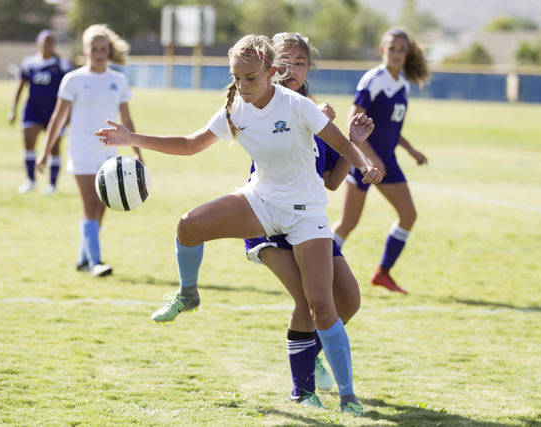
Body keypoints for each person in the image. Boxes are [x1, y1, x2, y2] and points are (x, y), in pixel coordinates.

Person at [95, 34, 381, 416]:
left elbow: (342, 146)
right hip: (261, 202)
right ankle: (188, 294)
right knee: (188, 225)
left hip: (306, 213)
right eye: (237, 78)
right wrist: (133, 138)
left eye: (251, 78)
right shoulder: (235, 108)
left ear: (270, 71)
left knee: (321, 306)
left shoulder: (297, 106)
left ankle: (348, 397)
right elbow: (189, 143)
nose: (243, 87)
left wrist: (364, 164)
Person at [242, 33, 372, 412]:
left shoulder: (315, 112)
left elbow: (332, 181)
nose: (291, 69)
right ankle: (303, 389)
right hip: (270, 219)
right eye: (283, 61)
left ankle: (310, 352)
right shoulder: (262, 104)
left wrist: (353, 142)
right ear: (267, 67)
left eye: (300, 62)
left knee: (347, 299)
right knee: (308, 299)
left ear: (309, 69)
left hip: (309, 220)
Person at [36, 24, 142, 277]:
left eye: (102, 49)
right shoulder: (74, 79)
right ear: (85, 50)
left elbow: (126, 119)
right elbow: (58, 118)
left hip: (108, 153)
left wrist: (138, 150)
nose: (98, 53)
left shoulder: (118, 80)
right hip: (81, 150)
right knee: (91, 205)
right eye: (93, 49)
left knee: (103, 205)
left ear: (108, 51)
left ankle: (83, 259)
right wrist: (45, 151)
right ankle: (96, 262)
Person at [332, 28, 431, 294]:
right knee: (347, 223)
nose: (397, 53)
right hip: (365, 162)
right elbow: (352, 120)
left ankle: (383, 273)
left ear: (408, 53)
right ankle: (316, 267)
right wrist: (369, 159)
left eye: (402, 49)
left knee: (408, 215)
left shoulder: (403, 84)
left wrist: (411, 150)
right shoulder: (373, 79)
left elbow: (391, 127)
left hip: (388, 161)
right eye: (392, 48)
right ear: (382, 50)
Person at [9, 30, 73, 195]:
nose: (46, 45)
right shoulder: (29, 63)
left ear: (54, 45)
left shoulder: (63, 65)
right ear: (38, 44)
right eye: (43, 42)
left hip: (55, 111)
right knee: (29, 142)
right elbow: (20, 86)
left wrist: (69, 115)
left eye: (50, 41)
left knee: (54, 147)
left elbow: (71, 92)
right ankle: (30, 181)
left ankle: (52, 185)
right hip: (33, 109)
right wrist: (12, 109)